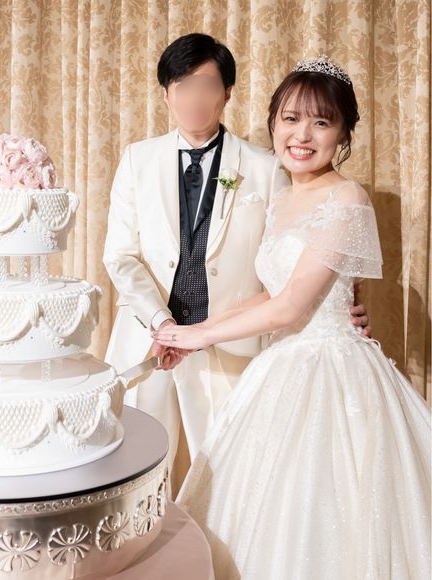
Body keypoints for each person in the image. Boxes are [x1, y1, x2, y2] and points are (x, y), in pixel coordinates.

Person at [153, 56, 431, 579]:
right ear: (273, 123)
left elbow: (291, 307)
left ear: (343, 133)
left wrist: (196, 336)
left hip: (333, 370)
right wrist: (192, 334)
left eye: (321, 122)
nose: (302, 135)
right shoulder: (282, 200)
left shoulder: (347, 197)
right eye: (290, 118)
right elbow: (270, 294)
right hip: (282, 364)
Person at [103, 35, 371, 490]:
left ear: (227, 92)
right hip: (148, 337)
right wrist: (162, 323)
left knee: (226, 480)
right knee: (135, 473)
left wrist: (338, 302)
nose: (195, 98)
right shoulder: (137, 159)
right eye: (183, 86)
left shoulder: (269, 166)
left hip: (234, 350)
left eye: (207, 85)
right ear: (166, 93)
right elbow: (120, 255)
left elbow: (296, 264)